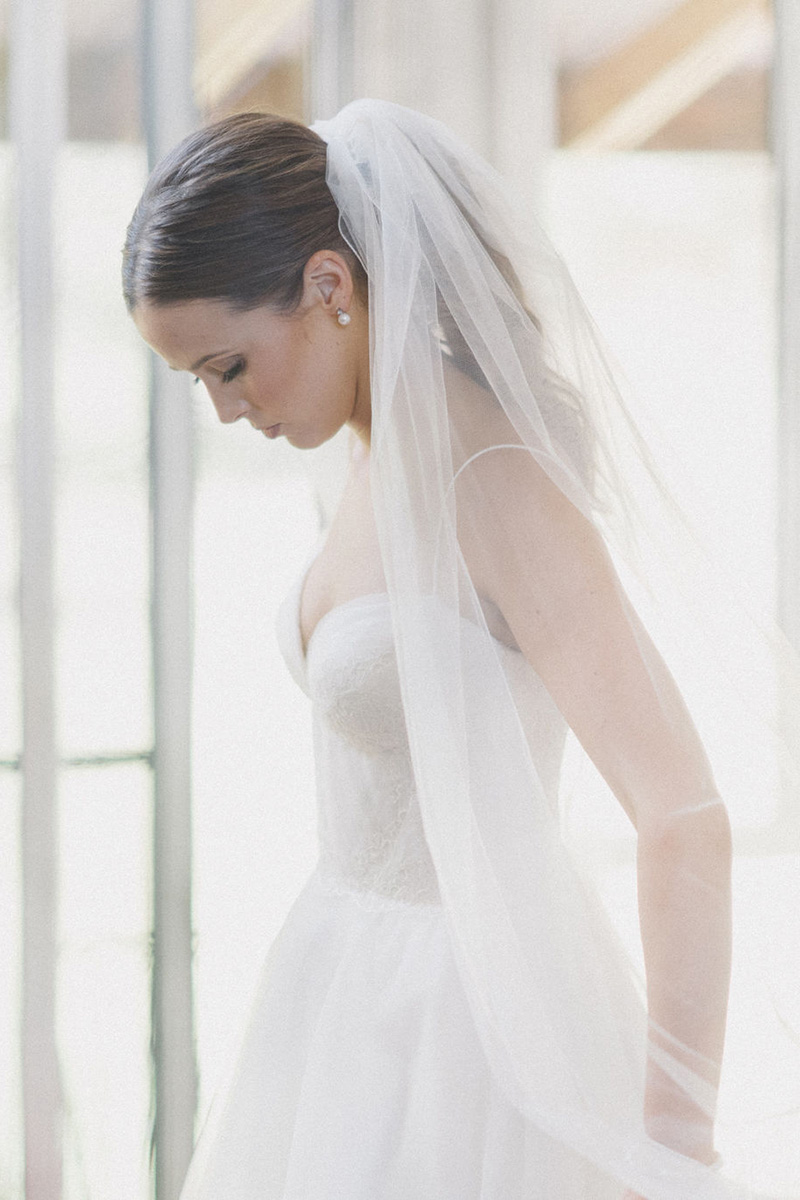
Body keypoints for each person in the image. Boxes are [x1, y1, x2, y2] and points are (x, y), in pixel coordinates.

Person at [122, 99, 800, 1199]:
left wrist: (671, 1150)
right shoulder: (359, 454)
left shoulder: (488, 479)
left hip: (478, 1033)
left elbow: (683, 814)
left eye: (227, 367)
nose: (223, 409)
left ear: (329, 287)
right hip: (339, 1002)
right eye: (196, 379)